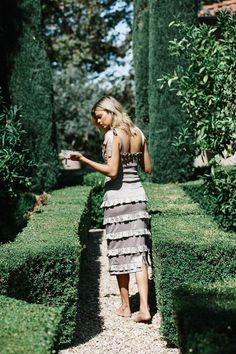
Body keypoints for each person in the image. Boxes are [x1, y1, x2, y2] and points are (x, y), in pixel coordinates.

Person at [67, 96, 152, 322]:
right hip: (138, 197)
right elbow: (149, 168)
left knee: (119, 252)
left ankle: (126, 307)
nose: (99, 121)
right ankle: (144, 308)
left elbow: (112, 172)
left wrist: (84, 159)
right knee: (139, 252)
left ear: (111, 111)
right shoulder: (139, 133)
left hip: (117, 199)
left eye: (100, 115)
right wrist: (143, 147)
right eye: (96, 118)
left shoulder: (112, 135)